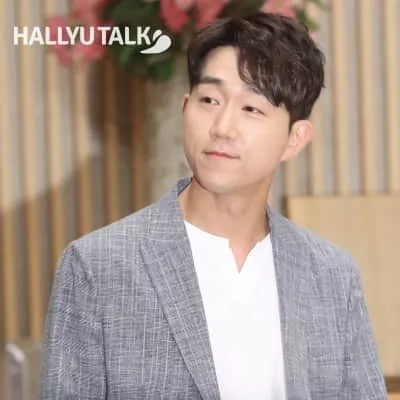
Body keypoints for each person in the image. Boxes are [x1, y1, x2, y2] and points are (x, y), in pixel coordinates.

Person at [40, 12, 387, 399]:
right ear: (185, 107)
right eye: (209, 100)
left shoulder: (332, 276)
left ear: (295, 139)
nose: (222, 127)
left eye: (251, 109)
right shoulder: (97, 267)